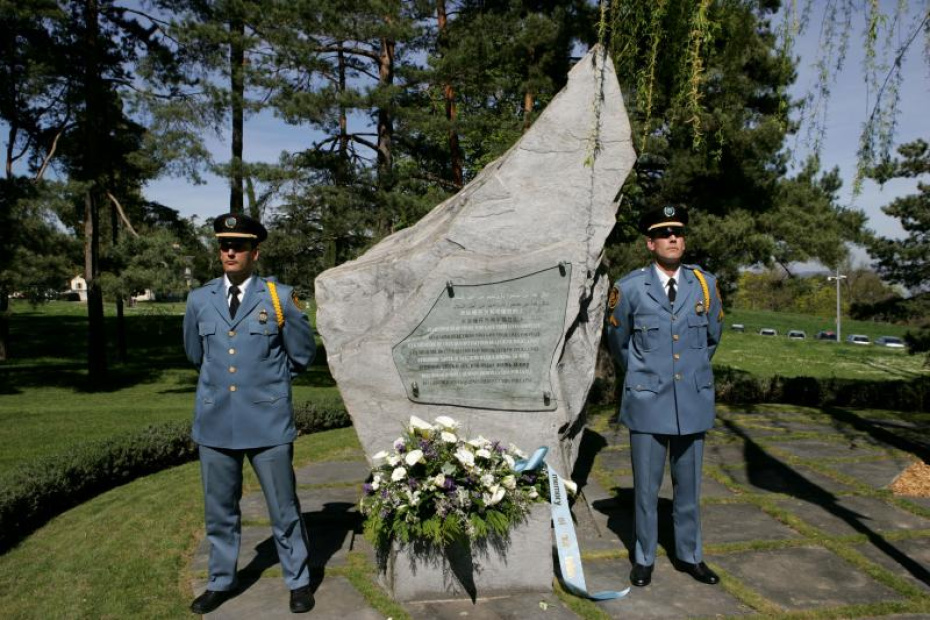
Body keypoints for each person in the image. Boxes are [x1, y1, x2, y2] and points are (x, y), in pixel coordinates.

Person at [183, 213, 316, 614]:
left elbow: (303, 354)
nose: (229, 251)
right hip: (216, 422)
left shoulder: (279, 297)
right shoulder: (199, 299)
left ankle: (299, 581)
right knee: (219, 510)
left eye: (238, 246)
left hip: (267, 422)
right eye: (224, 244)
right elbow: (195, 354)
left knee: (283, 508)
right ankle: (221, 581)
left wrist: (268, 387)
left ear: (254, 252)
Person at [606, 204, 724, 588]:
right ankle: (643, 557)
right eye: (664, 233)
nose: (673, 238)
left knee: (688, 489)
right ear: (650, 243)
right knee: (645, 490)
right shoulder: (628, 288)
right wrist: (646, 376)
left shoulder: (704, 284)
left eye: (678, 232)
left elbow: (711, 339)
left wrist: (685, 374)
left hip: (691, 400)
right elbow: (619, 344)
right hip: (647, 402)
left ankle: (690, 556)